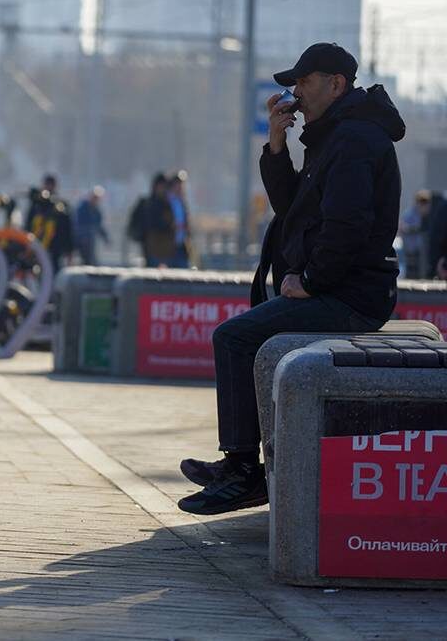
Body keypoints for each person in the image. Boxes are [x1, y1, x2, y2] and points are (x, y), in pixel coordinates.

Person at [177, 42, 404, 515]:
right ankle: (240, 465)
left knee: (234, 337)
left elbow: (348, 224)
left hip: (351, 294)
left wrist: (314, 280)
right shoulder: (334, 136)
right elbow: (294, 212)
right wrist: (276, 147)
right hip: (342, 286)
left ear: (336, 84)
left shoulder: (356, 139)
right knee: (243, 334)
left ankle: (242, 471)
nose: (295, 91)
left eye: (303, 81)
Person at [23, 175, 73, 274]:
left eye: (51, 185)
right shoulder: (36, 204)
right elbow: (28, 225)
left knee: (54, 272)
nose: (49, 187)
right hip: (35, 247)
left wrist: (69, 250)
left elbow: (67, 230)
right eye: (47, 184)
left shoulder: (61, 205)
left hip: (54, 248)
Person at [127, 172, 177, 267]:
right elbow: (152, 225)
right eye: (163, 186)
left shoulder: (168, 204)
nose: (164, 190)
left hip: (165, 251)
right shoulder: (149, 204)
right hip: (153, 249)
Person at [399, 189, 432, 278]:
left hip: (419, 251)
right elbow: (402, 228)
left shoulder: (423, 216)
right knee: (410, 273)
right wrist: (415, 230)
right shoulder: (410, 214)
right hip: (410, 250)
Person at [74, 185, 110, 265]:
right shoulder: (82, 208)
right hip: (81, 240)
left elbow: (99, 226)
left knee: (90, 260)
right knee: (86, 259)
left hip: (90, 240)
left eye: (97, 198)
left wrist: (106, 238)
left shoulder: (96, 211)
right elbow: (77, 224)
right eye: (94, 197)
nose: (96, 200)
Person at [166, 170, 194, 268]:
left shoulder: (181, 201)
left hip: (181, 245)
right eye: (178, 184)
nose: (181, 187)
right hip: (168, 245)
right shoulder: (167, 200)